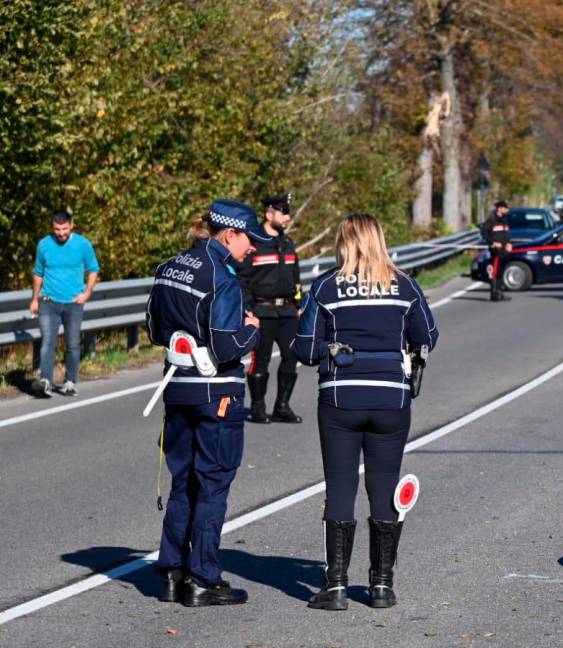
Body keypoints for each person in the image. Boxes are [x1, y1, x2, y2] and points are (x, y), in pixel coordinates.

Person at [292, 213, 438, 611]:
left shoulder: (326, 287)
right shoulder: (404, 286)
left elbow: (304, 349)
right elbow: (428, 337)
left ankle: (336, 586)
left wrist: (331, 350)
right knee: (384, 486)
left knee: (340, 487)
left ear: (345, 242)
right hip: (392, 399)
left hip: (341, 398)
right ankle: (382, 586)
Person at [145, 199, 269, 607]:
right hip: (216, 392)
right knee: (213, 485)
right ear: (229, 234)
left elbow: (154, 329)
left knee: (184, 482)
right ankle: (202, 577)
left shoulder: (170, 267)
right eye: (249, 240)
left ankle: (170, 572)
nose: (252, 248)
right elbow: (225, 345)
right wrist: (252, 330)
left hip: (177, 387)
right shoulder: (223, 277)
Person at [238, 194, 303, 424]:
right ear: (269, 214)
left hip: (286, 311)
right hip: (261, 312)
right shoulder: (254, 243)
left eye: (288, 213)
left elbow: (296, 279)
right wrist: (248, 309)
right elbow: (242, 279)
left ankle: (282, 406)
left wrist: (298, 305)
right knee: (261, 360)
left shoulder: (288, 243)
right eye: (283, 213)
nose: (287, 217)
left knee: (292, 356)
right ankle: (258, 407)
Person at [29, 211, 100, 397]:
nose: (61, 233)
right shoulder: (44, 244)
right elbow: (38, 274)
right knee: (47, 342)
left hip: (73, 302)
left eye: (64, 229)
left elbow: (93, 269)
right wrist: (35, 299)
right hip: (48, 301)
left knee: (73, 344)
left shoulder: (83, 244)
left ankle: (69, 382)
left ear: (72, 225)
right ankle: (45, 380)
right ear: (52, 228)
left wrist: (87, 293)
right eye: (57, 229)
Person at [479, 200, 513, 301]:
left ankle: (500, 292)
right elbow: (484, 233)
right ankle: (494, 294)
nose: (507, 210)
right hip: (496, 250)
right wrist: (493, 242)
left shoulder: (504, 220)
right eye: (505, 208)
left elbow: (505, 234)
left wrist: (508, 243)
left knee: (501, 271)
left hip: (504, 250)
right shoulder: (491, 220)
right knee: (495, 271)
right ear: (499, 208)